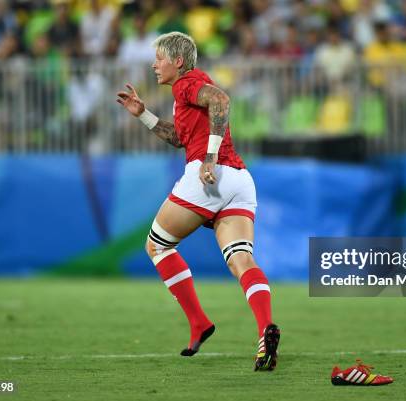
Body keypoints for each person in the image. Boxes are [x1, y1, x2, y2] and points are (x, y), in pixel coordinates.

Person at [116, 31, 280, 371]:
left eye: (159, 58)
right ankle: (265, 329)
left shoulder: (186, 83)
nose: (153, 64)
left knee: (157, 247)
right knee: (241, 261)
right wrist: (144, 115)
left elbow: (221, 100)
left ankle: (198, 323)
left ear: (177, 62)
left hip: (209, 176)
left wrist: (208, 157)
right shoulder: (186, 92)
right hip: (239, 181)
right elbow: (180, 137)